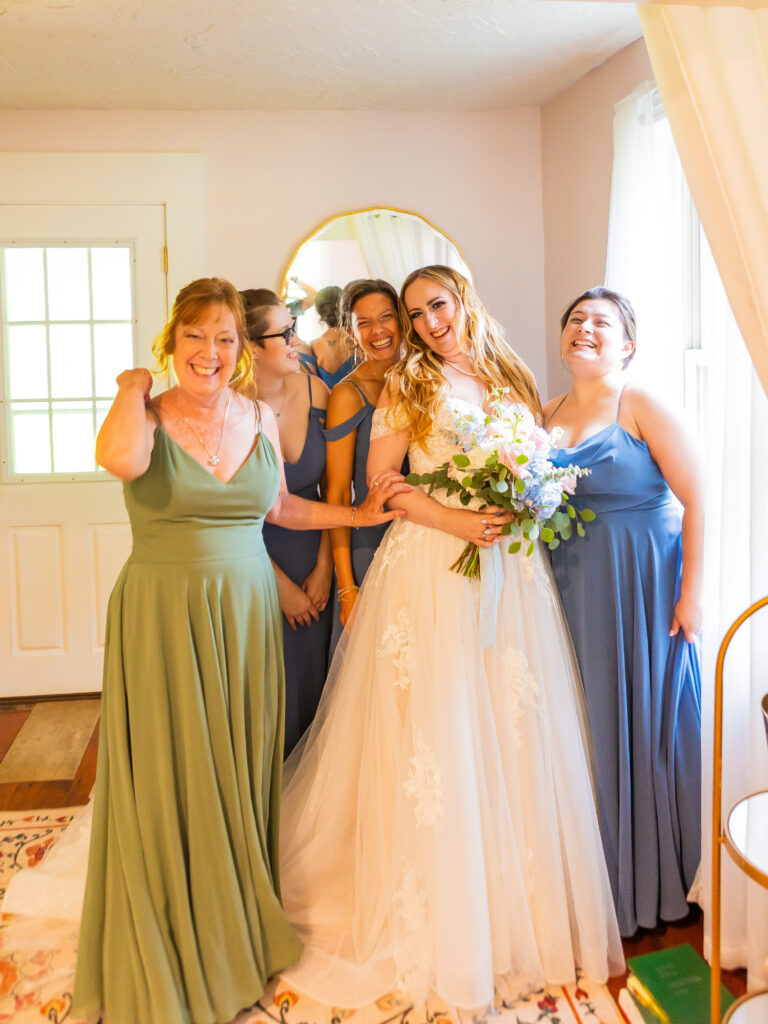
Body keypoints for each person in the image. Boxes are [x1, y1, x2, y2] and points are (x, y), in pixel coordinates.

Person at [5, 277, 409, 1024]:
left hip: (246, 614)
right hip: (164, 613)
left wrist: (355, 512)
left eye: (226, 339)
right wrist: (132, 386)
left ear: (240, 351)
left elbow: (279, 506)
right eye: (197, 337)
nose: (212, 352)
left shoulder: (256, 414)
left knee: (235, 769)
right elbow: (121, 462)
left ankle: (233, 933)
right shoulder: (146, 414)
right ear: (172, 342)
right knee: (169, 773)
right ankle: (165, 939)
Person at [278, 266, 624, 1013]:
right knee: (441, 736)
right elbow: (383, 483)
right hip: (434, 568)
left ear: (462, 300)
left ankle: (515, 918)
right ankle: (446, 917)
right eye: (415, 314)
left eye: (437, 306)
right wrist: (462, 522)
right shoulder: (408, 381)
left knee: (511, 735)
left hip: (511, 575)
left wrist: (521, 504)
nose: (430, 323)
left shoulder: (513, 370)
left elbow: (533, 463)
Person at [544, 286, 703, 937]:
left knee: (645, 727)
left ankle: (658, 883)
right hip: (572, 587)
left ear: (627, 344)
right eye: (576, 319)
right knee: (586, 727)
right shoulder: (542, 412)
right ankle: (600, 886)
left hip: (644, 588)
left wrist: (692, 592)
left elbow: (698, 497)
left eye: (600, 322)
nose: (585, 328)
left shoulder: (638, 403)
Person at [244, 291, 335, 756]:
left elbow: (331, 492)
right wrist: (278, 586)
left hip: (313, 556)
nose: (298, 339)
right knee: (265, 698)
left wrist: (324, 568)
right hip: (251, 564)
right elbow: (229, 517)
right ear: (251, 346)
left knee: (316, 689)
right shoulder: (230, 408)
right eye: (285, 333)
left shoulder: (317, 390)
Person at [324, 278, 403, 625]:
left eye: (386, 317)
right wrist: (346, 588)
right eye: (364, 323)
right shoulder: (347, 394)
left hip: (428, 533)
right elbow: (338, 493)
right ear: (351, 333)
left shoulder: (426, 380)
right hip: (371, 541)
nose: (377, 331)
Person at [299, 284, 357, 388]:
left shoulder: (312, 346)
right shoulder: (357, 340)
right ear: (345, 306)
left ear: (320, 312)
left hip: (326, 403)